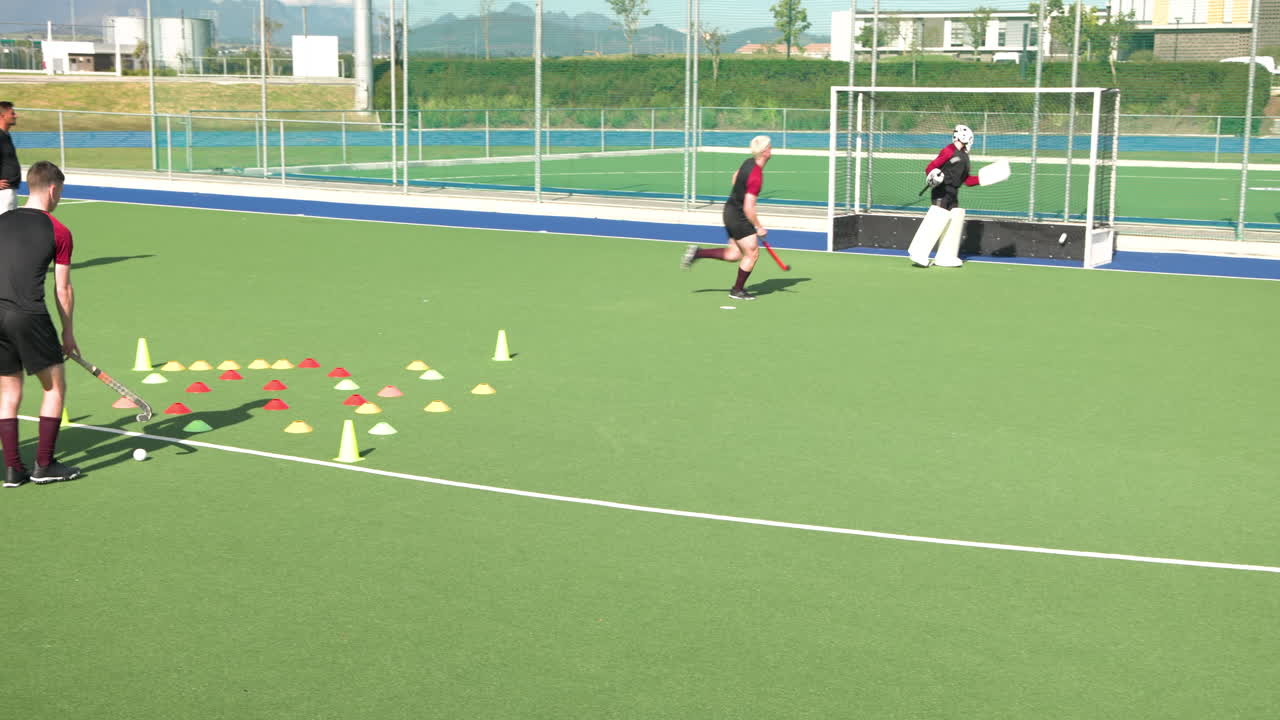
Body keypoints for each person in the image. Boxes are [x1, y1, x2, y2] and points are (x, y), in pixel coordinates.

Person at [0, 161, 80, 487]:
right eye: (60, 191)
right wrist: (68, 332)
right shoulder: (59, 231)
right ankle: (44, 464)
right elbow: (62, 288)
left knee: (8, 391)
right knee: (54, 386)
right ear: (52, 189)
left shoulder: (2, 220)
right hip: (29, 315)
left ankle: (12, 470)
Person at [681, 135, 772, 301]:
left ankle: (698, 253)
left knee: (734, 254)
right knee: (752, 254)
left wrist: (739, 193)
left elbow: (735, 177)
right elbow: (748, 207)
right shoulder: (756, 176)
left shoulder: (748, 162)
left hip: (729, 210)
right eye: (770, 147)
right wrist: (759, 227)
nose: (772, 150)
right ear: (765, 152)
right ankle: (737, 290)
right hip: (739, 216)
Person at [907, 123, 983, 268]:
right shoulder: (949, 150)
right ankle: (918, 253)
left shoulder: (965, 157)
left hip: (954, 193)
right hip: (941, 190)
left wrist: (983, 178)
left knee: (953, 220)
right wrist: (933, 175)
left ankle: (946, 256)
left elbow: (967, 180)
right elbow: (931, 167)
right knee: (937, 219)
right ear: (964, 137)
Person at [0, 101, 19, 213]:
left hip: (9, 190)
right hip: (3, 192)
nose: (16, 116)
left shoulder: (5, 135)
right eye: (12, 113)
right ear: (2, 116)